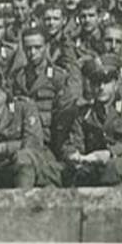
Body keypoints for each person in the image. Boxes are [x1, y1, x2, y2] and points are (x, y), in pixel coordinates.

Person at [64, 58, 122, 187]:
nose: (101, 87)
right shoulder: (84, 114)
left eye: (106, 82)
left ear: (116, 84)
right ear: (90, 85)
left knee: (114, 168)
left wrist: (112, 152)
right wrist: (73, 154)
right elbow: (74, 141)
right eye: (96, 83)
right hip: (95, 169)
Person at [8, 25, 82, 156]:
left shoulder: (57, 77)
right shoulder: (18, 77)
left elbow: (67, 116)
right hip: (21, 139)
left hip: (48, 142)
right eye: (28, 48)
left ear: (46, 46)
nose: (32, 53)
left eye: (38, 47)